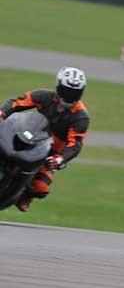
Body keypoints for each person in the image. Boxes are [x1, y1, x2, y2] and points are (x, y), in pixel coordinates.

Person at [0, 67, 90, 212]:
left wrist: (60, 159)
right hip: (29, 135)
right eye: (66, 91)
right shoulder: (44, 96)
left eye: (74, 93)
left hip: (51, 152)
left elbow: (76, 144)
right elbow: (17, 102)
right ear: (58, 86)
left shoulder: (81, 117)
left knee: (41, 187)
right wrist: (2, 112)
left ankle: (25, 195)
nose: (69, 96)